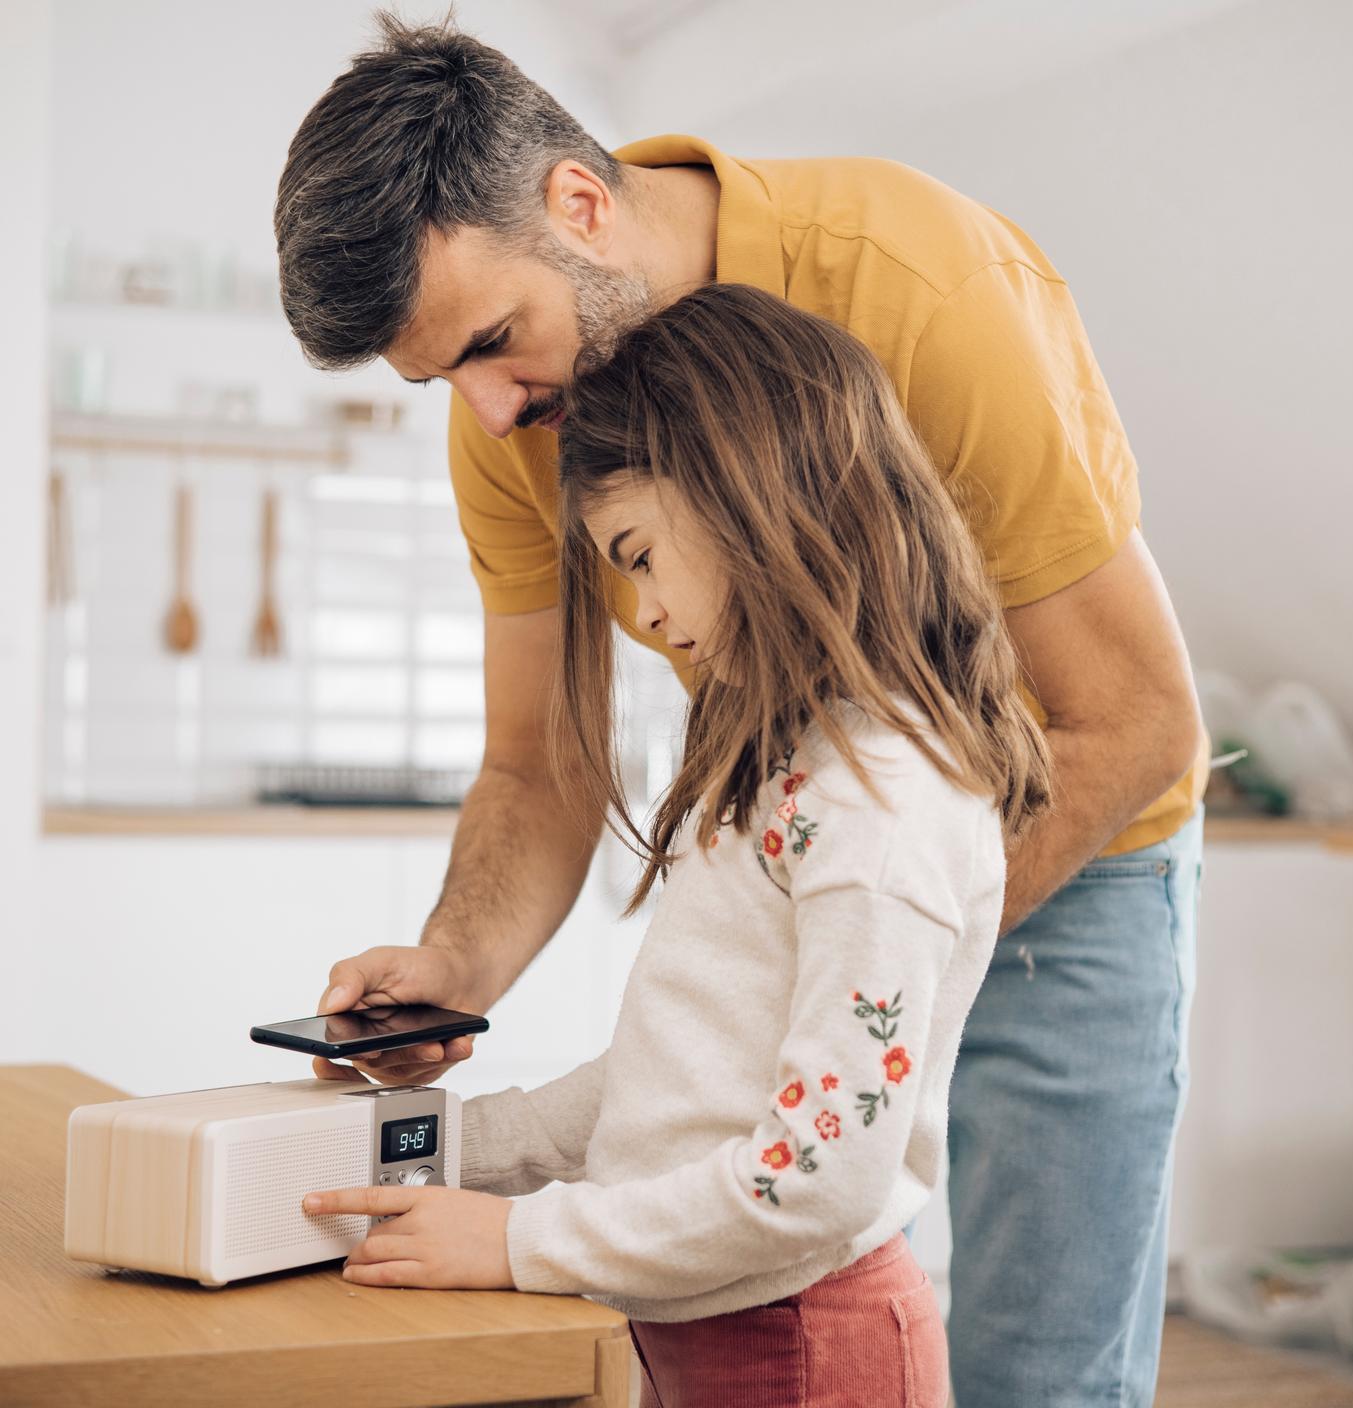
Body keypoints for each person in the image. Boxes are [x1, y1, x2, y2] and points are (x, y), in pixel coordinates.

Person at [276, 16, 1206, 1407]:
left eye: (488, 341)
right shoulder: (520, 421)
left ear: (578, 205)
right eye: (440, 381)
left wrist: (846, 960)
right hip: (833, 866)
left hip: (1068, 838)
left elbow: (1134, 719)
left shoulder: (918, 287)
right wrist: (453, 971)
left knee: (1040, 1379)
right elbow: (540, 765)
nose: (484, 413)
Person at [305, 282, 1054, 1408]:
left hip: (808, 1347)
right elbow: (672, 1078)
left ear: (748, 493)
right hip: (717, 1328)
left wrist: (515, 1240)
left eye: (641, 553)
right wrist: (443, 1149)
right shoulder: (796, 763)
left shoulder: (880, 809)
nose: (644, 611)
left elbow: (814, 1181)